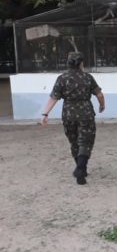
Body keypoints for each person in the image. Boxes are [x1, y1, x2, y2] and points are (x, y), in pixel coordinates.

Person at [40, 51, 106, 185]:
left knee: (74, 142)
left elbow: (54, 98)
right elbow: (99, 94)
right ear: (81, 63)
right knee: (85, 142)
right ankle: (81, 169)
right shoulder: (87, 77)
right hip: (86, 113)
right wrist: (102, 106)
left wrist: (45, 114)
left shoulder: (62, 78)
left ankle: (80, 168)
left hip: (68, 114)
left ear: (68, 63)